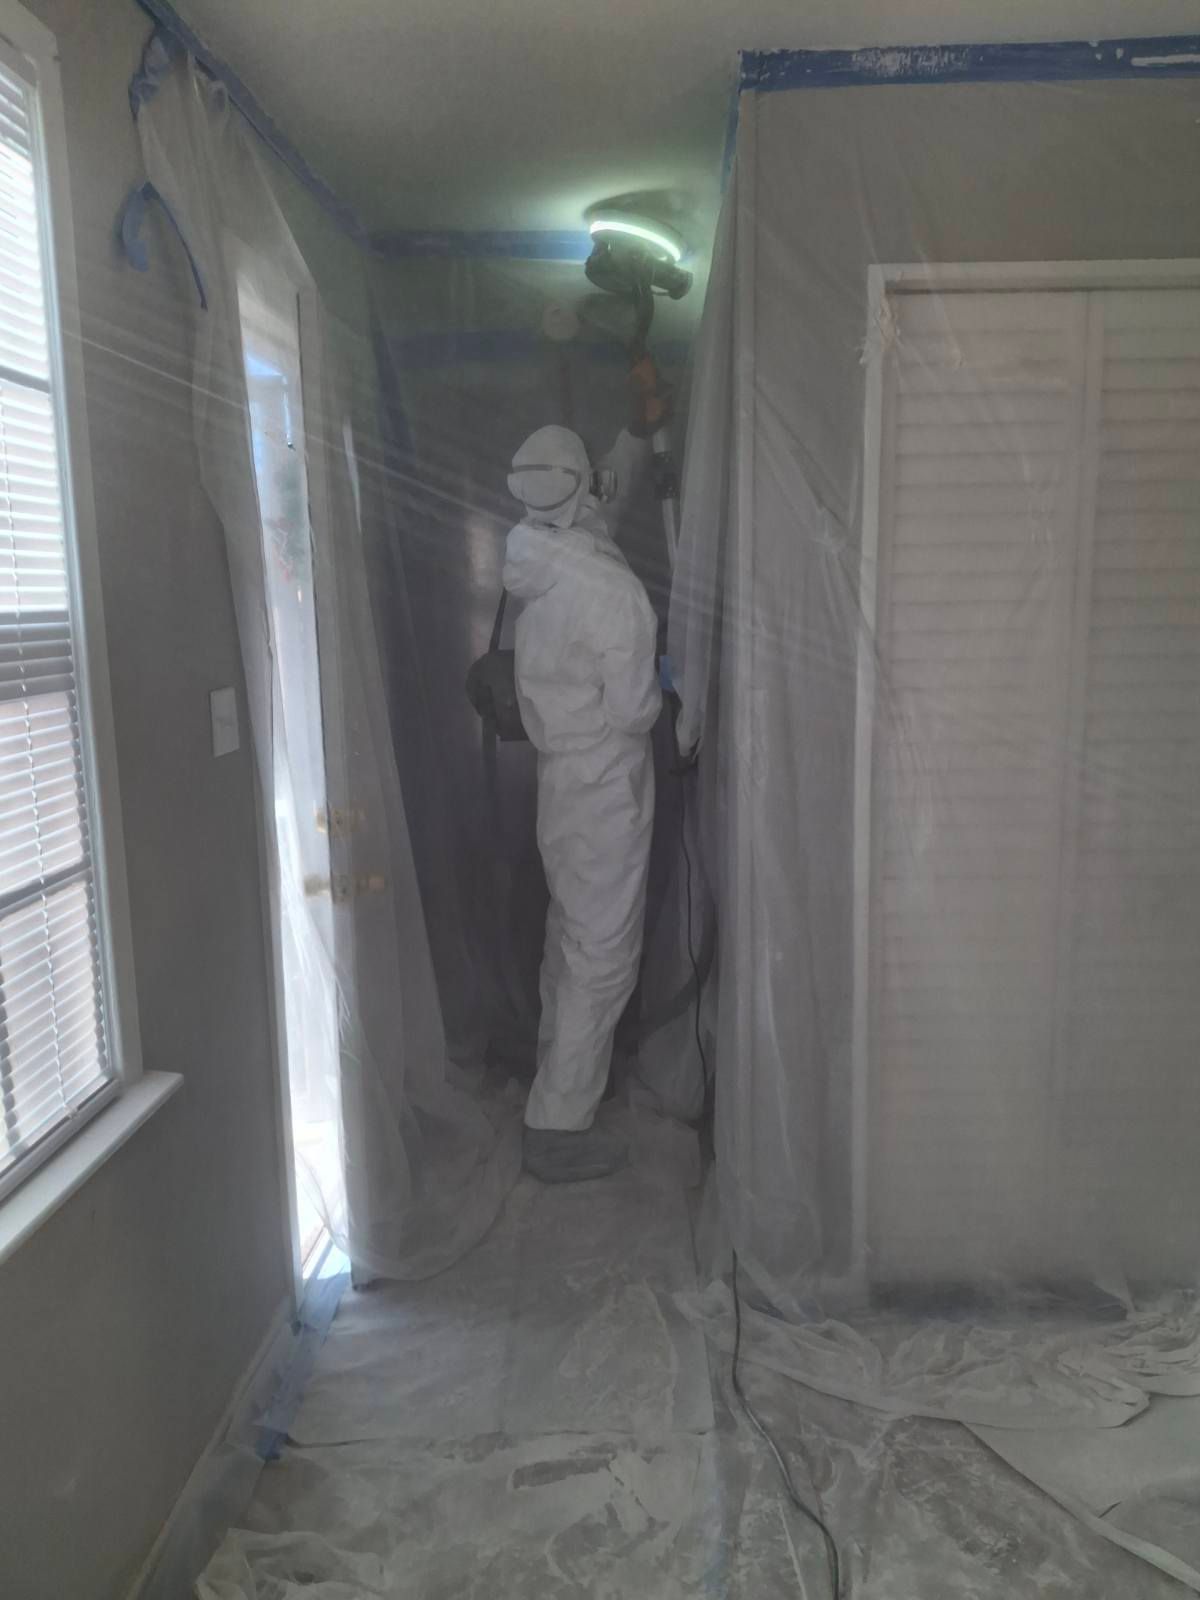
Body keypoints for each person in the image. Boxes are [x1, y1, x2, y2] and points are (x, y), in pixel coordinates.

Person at [503, 419, 662, 1182]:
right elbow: (634, 712)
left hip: (561, 784)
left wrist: (635, 434)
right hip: (605, 788)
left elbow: (597, 503)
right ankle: (559, 1126)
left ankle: (553, 1076)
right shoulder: (614, 594)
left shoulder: (537, 553)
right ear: (578, 489)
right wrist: (667, 692)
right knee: (602, 956)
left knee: (570, 938)